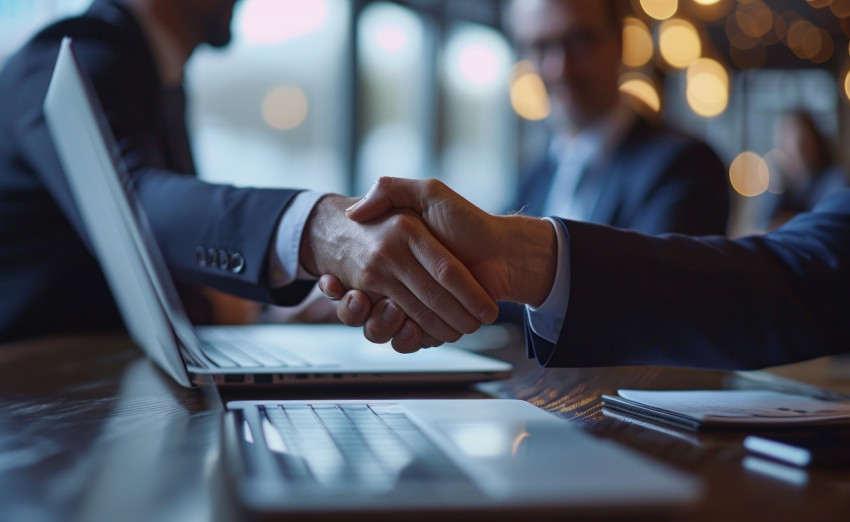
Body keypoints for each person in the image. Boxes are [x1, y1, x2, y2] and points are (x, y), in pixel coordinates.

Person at [0, 0, 497, 344]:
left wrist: (277, 308)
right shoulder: (66, 58)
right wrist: (319, 229)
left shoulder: (155, 77)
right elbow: (130, 204)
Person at [319, 176, 850, 369]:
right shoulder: (540, 166)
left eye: (577, 40)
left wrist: (521, 259)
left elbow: (806, 279)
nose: (559, 65)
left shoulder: (680, 166)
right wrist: (404, 279)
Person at [506, 0, 729, 236]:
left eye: (579, 41)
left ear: (621, 42)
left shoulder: (685, 167)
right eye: (540, 47)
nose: (559, 68)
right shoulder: (533, 179)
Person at [759, 109, 847, 230]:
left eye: (802, 140)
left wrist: (786, 224)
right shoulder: (784, 185)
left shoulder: (833, 179)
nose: (794, 148)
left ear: (816, 141)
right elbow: (763, 226)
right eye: (786, 141)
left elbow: (826, 224)